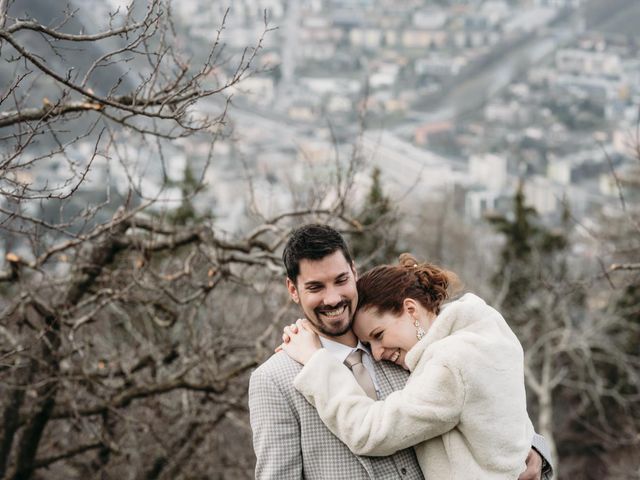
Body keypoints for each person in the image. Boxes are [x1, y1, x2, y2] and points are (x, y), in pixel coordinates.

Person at [248, 224, 553, 479]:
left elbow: (488, 404)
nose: (332, 298)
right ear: (292, 289)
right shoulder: (275, 380)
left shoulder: (404, 349)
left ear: (354, 272)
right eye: (315, 287)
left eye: (341, 280)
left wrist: (533, 448)